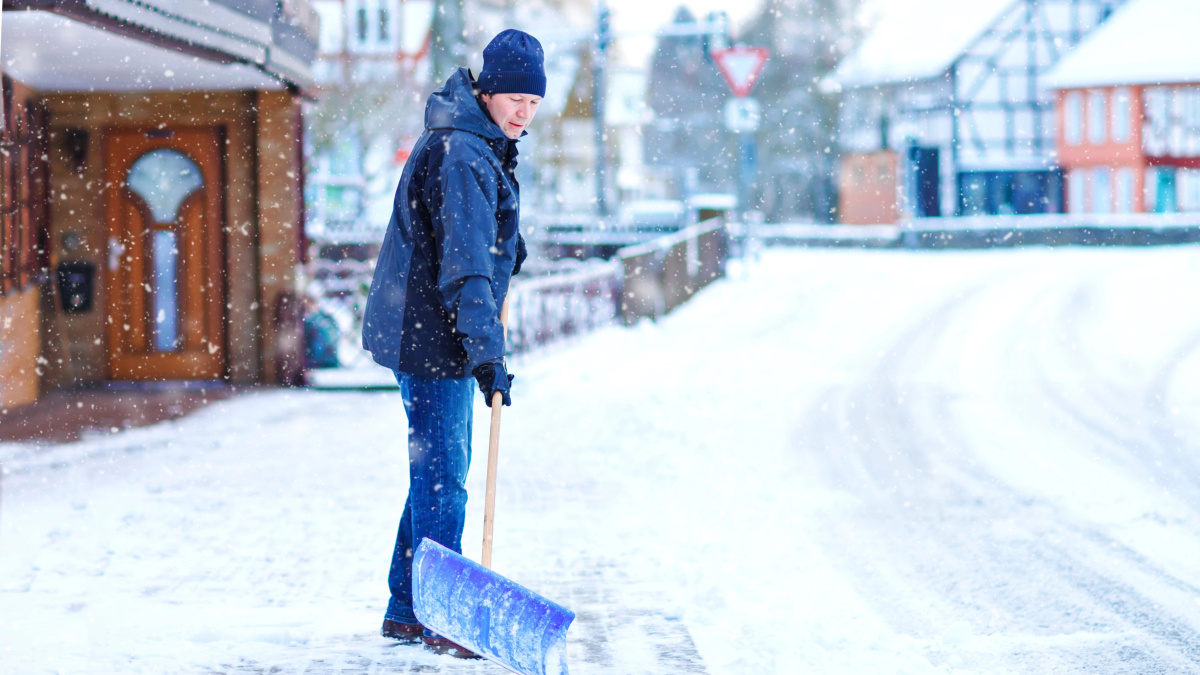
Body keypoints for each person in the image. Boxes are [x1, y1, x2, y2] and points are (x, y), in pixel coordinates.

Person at [360, 29, 543, 658]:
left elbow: (468, 241)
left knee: (434, 473)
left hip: (426, 330)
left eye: (534, 103)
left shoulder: (470, 141)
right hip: (433, 336)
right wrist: (488, 355)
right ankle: (442, 616)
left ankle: (407, 607)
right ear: (487, 91)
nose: (523, 112)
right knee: (444, 480)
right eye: (515, 97)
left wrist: (505, 241)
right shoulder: (464, 152)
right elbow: (463, 266)